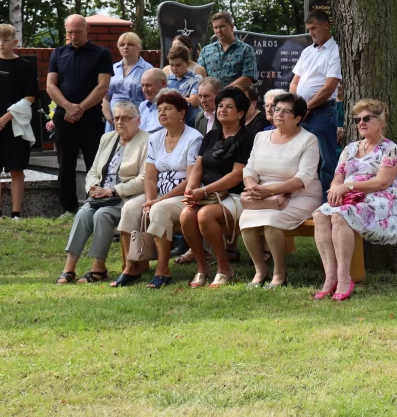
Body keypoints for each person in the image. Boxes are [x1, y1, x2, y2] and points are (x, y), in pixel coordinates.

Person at [313, 99, 397, 301]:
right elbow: (337, 177)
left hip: (379, 199)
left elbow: (382, 182)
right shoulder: (350, 149)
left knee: (340, 216)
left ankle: (344, 279)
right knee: (320, 214)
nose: (361, 123)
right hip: (350, 197)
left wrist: (348, 187)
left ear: (381, 123)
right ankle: (330, 278)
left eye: (367, 118)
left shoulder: (391, 149)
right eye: (357, 120)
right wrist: (335, 190)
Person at [111, 91, 203, 288]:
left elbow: (190, 180)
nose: (162, 113)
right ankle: (131, 267)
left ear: (182, 113)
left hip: (183, 195)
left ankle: (162, 269)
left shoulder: (194, 138)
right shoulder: (155, 138)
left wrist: (157, 201)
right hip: (158, 194)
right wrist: (149, 200)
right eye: (159, 109)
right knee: (130, 208)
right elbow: (150, 176)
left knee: (159, 210)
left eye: (168, 109)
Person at [58, 101, 149, 283]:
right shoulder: (107, 138)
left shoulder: (147, 141)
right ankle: (69, 267)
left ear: (138, 120)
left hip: (127, 198)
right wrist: (92, 188)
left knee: (102, 215)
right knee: (83, 214)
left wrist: (112, 191)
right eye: (117, 118)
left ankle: (99, 266)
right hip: (101, 197)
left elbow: (144, 178)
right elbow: (93, 171)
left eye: (125, 118)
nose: (120, 122)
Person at [239, 93, 322, 288]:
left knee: (271, 222)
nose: (279, 114)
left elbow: (304, 178)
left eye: (286, 111)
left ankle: (279, 273)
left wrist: (268, 190)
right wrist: (252, 187)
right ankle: (261, 271)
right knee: (246, 221)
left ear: (298, 118)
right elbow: (249, 169)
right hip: (264, 194)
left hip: (301, 194)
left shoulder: (308, 140)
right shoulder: (261, 137)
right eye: (277, 109)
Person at [176, 87, 254, 288]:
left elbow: (237, 175)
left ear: (240, 113)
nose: (222, 110)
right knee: (186, 215)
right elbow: (198, 168)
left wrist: (203, 191)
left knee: (205, 215)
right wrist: (190, 191)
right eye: (220, 106)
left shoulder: (248, 138)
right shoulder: (211, 136)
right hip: (207, 195)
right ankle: (202, 267)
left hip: (236, 195)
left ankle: (223, 266)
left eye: (229, 107)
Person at [47, 14, 113, 212]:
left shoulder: (101, 53)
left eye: (77, 32)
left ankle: (94, 206)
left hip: (91, 117)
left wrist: (80, 108)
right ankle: (68, 209)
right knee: (65, 165)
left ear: (87, 30)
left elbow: (102, 87)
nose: (73, 36)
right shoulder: (58, 53)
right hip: (64, 117)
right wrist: (68, 106)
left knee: (94, 164)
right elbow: (50, 86)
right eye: (70, 32)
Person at [290, 10, 342, 193]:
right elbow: (294, 82)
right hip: (301, 112)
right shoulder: (307, 51)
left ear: (326, 25)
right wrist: (295, 106)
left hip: (322, 112)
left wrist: (306, 107)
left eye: (314, 28)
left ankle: (328, 200)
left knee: (326, 159)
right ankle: (303, 197)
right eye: (308, 29)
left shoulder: (336, 50)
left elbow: (329, 87)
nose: (311, 32)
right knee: (300, 157)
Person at [0, 24, 38, 219]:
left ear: (15, 42)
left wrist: (6, 117)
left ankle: (16, 213)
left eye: (5, 40)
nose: (1, 43)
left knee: (16, 168)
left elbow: (30, 96)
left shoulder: (26, 66)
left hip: (16, 125)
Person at [102, 32, 152, 130]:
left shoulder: (148, 69)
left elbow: (149, 98)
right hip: (114, 118)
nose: (125, 47)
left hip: (135, 117)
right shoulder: (113, 68)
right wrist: (109, 117)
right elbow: (105, 98)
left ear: (139, 48)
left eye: (130, 44)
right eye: (122, 45)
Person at [196, 11, 257, 90]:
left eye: (222, 26)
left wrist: (223, 91)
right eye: (215, 28)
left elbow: (248, 78)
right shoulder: (206, 51)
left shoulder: (245, 49)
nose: (219, 30)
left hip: (236, 95)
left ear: (231, 27)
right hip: (211, 96)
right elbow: (199, 76)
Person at [166, 46, 202, 115]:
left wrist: (170, 100)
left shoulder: (195, 79)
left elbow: (194, 101)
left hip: (189, 116)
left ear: (187, 64)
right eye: (171, 65)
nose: (174, 69)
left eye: (178, 65)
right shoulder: (167, 79)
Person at [136, 69, 168, 134]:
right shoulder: (143, 105)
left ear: (163, 83)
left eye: (148, 85)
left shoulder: (172, 106)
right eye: (143, 85)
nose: (144, 90)